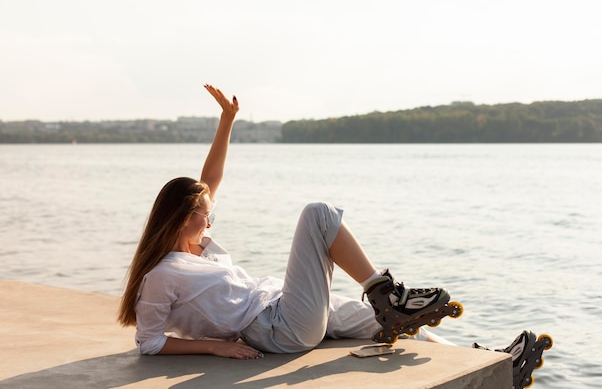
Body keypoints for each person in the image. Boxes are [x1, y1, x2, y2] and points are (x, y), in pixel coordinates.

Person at [118, 85, 548, 387]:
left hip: (282, 304)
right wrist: (215, 347)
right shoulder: (162, 275)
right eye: (204, 217)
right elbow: (149, 342)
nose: (210, 223)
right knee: (318, 215)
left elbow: (208, 182)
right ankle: (386, 295)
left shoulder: (198, 245)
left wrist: (227, 121)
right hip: (274, 328)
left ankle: (492, 363)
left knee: (402, 327)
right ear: (179, 216)